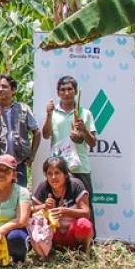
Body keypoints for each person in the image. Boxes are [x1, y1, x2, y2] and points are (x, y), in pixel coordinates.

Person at [42, 75, 97, 232]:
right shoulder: (53, 113)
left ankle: (89, 240)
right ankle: (60, 240)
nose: (66, 92)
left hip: (80, 167)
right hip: (58, 169)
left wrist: (83, 130)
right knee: (60, 205)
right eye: (62, 89)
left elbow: (93, 142)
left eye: (69, 89)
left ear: (75, 91)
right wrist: (48, 115)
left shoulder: (84, 113)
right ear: (58, 92)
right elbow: (46, 135)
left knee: (85, 206)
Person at [0, 75, 41, 186]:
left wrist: (32, 156)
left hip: (18, 164)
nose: (0, 89)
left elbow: (36, 132)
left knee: (19, 198)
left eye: (4, 86)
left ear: (13, 90)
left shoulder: (23, 109)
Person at [31, 157, 93, 253]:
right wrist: (43, 207)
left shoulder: (75, 185)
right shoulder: (43, 186)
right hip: (52, 235)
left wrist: (65, 211)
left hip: (72, 234)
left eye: (57, 173)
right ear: (45, 175)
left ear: (65, 174)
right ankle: (47, 250)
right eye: (49, 173)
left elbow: (86, 213)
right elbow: (30, 210)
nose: (53, 177)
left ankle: (82, 252)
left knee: (84, 225)